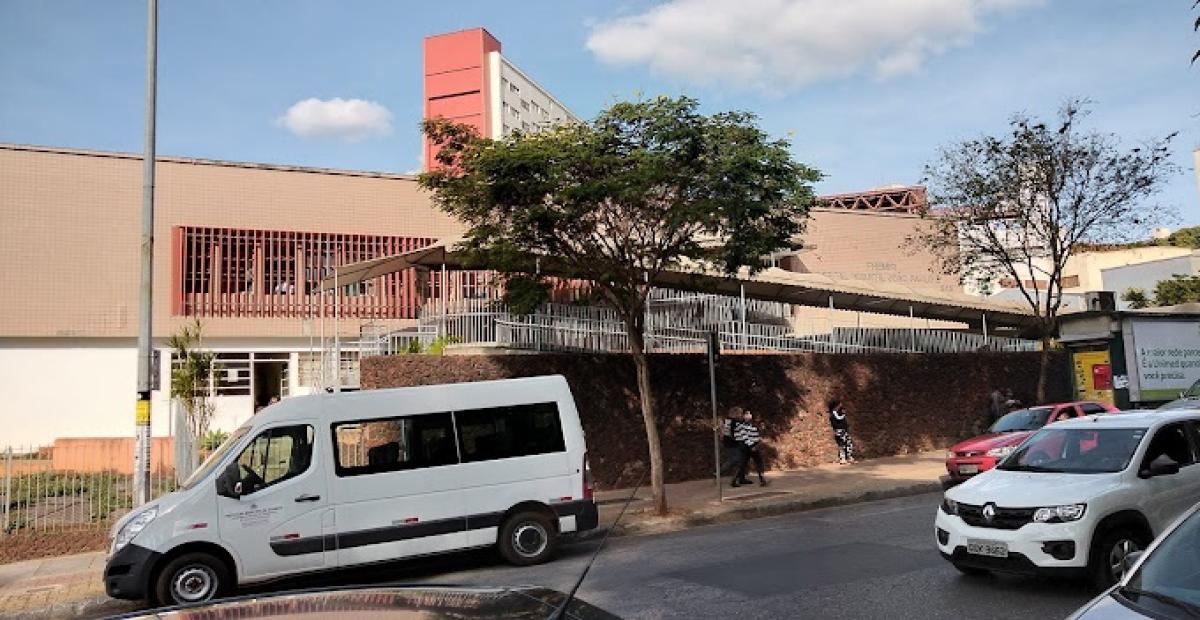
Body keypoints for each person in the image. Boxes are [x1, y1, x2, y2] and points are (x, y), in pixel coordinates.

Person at [732, 410, 768, 487]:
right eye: (747, 414)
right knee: (746, 463)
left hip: (752, 444)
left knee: (749, 462)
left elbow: (757, 435)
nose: (749, 416)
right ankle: (735, 480)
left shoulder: (752, 424)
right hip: (746, 445)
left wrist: (758, 441)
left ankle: (760, 479)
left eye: (749, 414)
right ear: (743, 416)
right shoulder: (741, 425)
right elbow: (745, 437)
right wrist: (752, 446)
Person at [829, 399, 856, 465]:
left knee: (848, 443)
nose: (840, 406)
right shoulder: (833, 415)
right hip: (839, 431)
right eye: (839, 405)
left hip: (843, 431)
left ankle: (848, 458)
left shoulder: (839, 413)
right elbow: (837, 422)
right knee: (842, 444)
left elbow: (842, 420)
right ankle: (844, 458)